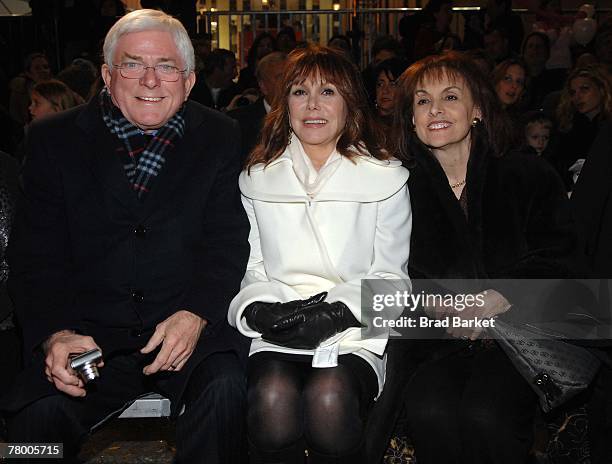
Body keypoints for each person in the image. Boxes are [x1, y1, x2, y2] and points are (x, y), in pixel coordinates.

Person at [1, 9, 250, 464]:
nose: (151, 80)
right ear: (108, 75)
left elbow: (227, 243)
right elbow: (35, 256)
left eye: (167, 67)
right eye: (134, 64)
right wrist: (56, 335)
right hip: (88, 338)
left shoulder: (220, 135)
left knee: (227, 393)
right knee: (31, 433)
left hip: (185, 332)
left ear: (189, 80)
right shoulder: (52, 140)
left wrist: (196, 313)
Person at [227, 44, 411, 464]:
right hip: (280, 328)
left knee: (329, 399)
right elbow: (251, 267)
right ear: (282, 103)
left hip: (354, 330)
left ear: (350, 103)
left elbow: (394, 279)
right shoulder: (257, 179)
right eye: (299, 92)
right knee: (272, 399)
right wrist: (258, 311)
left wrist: (337, 313)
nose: (313, 105)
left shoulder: (385, 177)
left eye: (328, 91)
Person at [394, 51, 574, 463]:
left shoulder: (526, 173)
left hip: (522, 335)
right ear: (411, 118)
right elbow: (390, 270)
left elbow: (561, 256)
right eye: (422, 101)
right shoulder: (398, 188)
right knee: (430, 411)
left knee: (485, 415)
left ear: (476, 110)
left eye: (450, 97)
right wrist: (436, 305)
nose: (435, 110)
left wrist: (500, 297)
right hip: (439, 338)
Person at [555, 65, 612, 190]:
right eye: (573, 92)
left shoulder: (607, 127)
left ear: (601, 89)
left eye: (584, 89)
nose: (577, 97)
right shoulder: (566, 128)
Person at [227, 51, 288, 161]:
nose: (289, 83)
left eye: (292, 77)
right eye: (281, 78)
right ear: (263, 85)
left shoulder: (308, 119)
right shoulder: (236, 124)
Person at [373, 58, 409, 128]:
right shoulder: (365, 125)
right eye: (380, 84)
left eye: (392, 84)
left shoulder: (410, 126)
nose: (385, 91)